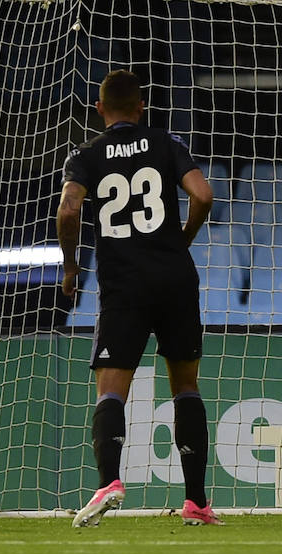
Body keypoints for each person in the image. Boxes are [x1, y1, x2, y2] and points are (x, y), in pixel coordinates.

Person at [57, 70, 220, 526]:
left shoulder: (86, 154)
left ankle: (110, 482)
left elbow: (69, 208)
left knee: (112, 392)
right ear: (141, 107)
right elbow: (203, 196)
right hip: (174, 279)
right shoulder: (165, 142)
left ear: (99, 109)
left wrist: (71, 266)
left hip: (123, 285)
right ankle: (196, 504)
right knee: (185, 386)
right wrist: (181, 239)